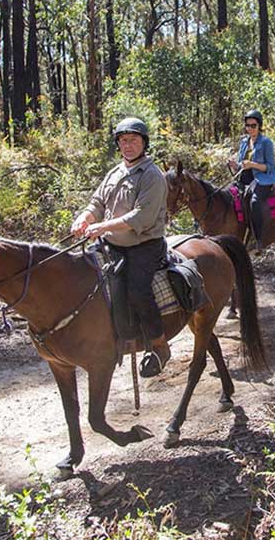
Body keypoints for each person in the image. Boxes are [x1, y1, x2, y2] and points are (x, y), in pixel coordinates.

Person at [71, 117, 170, 377]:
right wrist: (85, 218)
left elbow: (141, 218)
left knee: (138, 290)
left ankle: (159, 346)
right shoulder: (116, 172)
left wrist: (102, 227)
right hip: (112, 244)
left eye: (134, 140)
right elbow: (97, 202)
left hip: (144, 246)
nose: (128, 145)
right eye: (124, 141)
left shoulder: (152, 176)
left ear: (144, 143)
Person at [228, 109, 275, 252]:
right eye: (248, 125)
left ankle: (258, 240)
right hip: (245, 177)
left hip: (262, 179)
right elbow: (241, 164)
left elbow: (269, 167)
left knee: (255, 201)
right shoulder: (244, 141)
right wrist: (235, 165)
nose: (250, 128)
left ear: (259, 125)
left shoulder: (266, 142)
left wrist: (252, 165)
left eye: (253, 125)